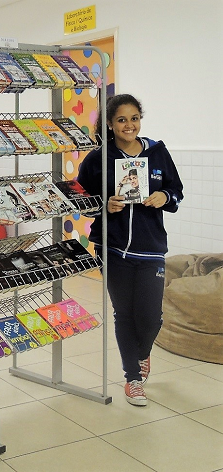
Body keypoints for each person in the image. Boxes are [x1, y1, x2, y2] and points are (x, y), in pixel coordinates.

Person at [77, 94, 183, 407]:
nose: (129, 125)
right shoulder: (98, 158)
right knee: (124, 313)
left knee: (151, 318)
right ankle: (132, 378)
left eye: (134, 118)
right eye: (122, 119)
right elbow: (80, 200)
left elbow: (176, 190)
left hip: (151, 249)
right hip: (112, 247)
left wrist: (164, 197)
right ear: (110, 124)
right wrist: (102, 205)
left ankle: (143, 354)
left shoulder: (157, 152)